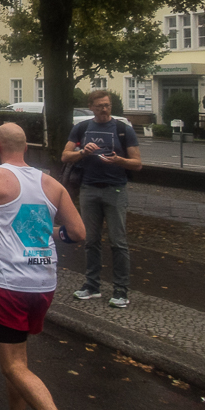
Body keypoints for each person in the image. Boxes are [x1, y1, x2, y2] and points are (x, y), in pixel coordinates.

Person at [0, 123, 86, 410]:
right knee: (19, 361)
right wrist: (51, 232)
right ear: (26, 148)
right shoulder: (51, 183)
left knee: (13, 366)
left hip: (9, 284)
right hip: (44, 284)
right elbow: (78, 233)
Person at [61, 89, 141, 308]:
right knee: (91, 240)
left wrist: (118, 160)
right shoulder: (82, 128)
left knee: (118, 242)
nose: (104, 109)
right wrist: (83, 153)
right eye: (100, 106)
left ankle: (121, 290)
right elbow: (65, 155)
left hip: (115, 190)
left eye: (107, 105)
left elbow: (138, 162)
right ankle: (92, 285)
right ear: (92, 107)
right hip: (88, 189)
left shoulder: (123, 129)